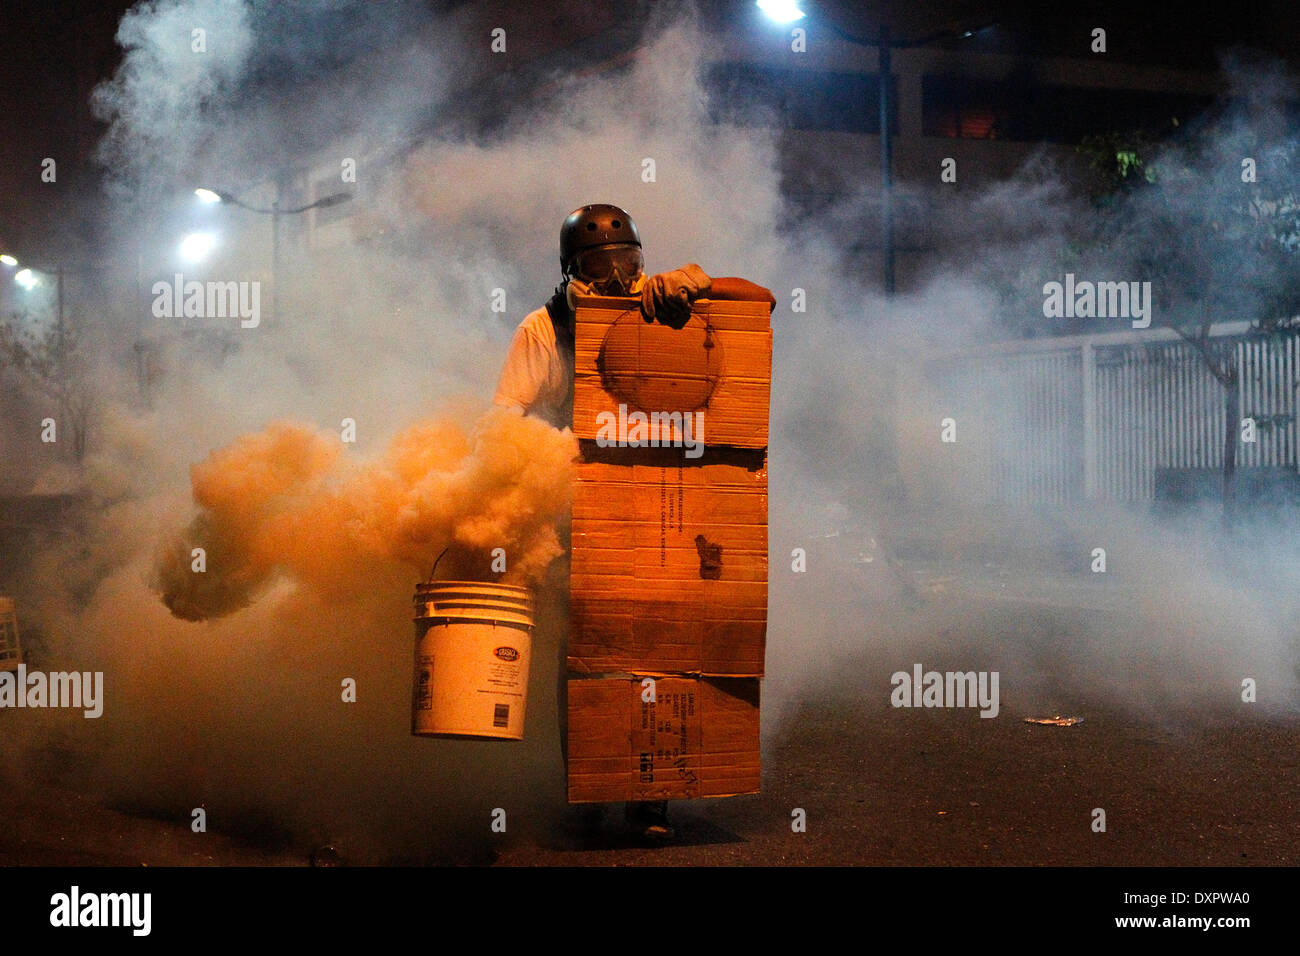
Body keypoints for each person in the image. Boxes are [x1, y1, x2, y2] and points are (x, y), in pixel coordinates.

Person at [493, 203, 715, 842]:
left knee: (662, 646)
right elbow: (505, 416)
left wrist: (697, 284)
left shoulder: (654, 304)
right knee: (589, 654)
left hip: (656, 503)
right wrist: (553, 451)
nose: (620, 281)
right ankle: (591, 784)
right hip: (580, 509)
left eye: (631, 264)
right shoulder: (545, 329)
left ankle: (652, 795)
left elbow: (750, 307)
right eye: (602, 269)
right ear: (571, 273)